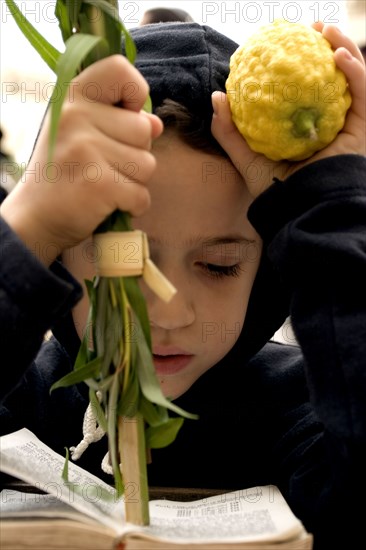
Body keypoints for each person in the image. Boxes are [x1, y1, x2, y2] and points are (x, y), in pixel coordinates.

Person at [0, 21, 365, 549]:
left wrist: (327, 218)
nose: (169, 315)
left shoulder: (307, 406)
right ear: (60, 256)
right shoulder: (20, 398)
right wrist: (29, 229)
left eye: (218, 266)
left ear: (266, 270)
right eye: (121, 260)